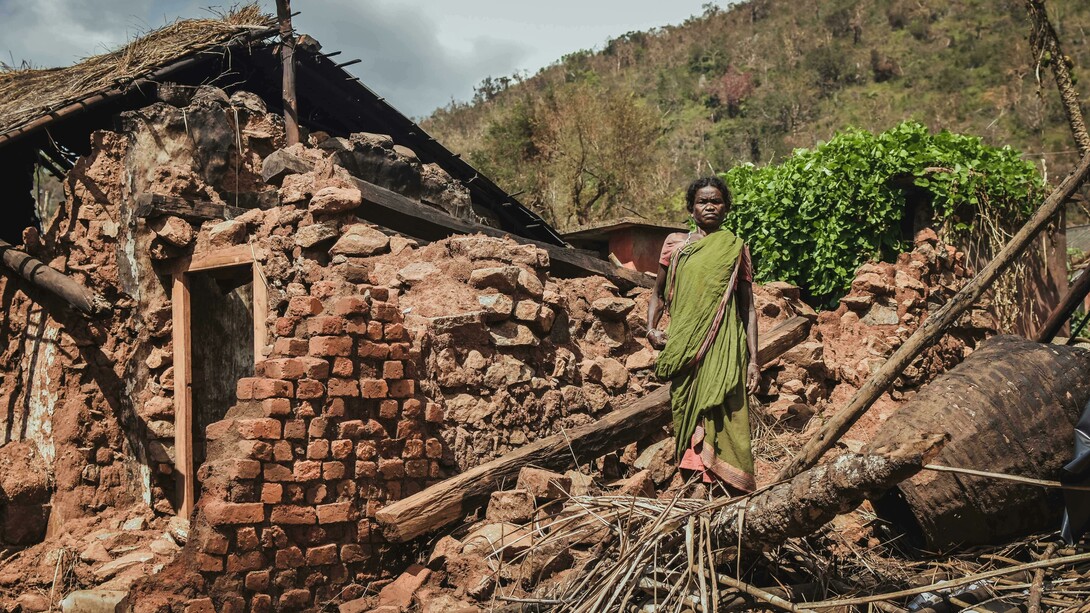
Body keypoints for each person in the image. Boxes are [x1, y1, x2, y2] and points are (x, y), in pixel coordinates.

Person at [646, 176, 759, 494]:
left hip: (725, 347)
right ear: (691, 208)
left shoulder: (736, 249)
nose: (710, 206)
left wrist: (755, 361)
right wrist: (651, 330)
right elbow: (656, 294)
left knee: (726, 412)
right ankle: (695, 484)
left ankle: (728, 491)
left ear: (726, 208)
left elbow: (748, 309)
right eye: (702, 201)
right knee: (687, 408)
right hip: (684, 347)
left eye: (716, 201)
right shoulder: (676, 245)